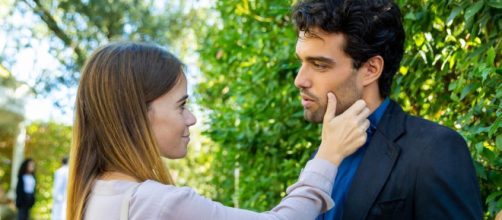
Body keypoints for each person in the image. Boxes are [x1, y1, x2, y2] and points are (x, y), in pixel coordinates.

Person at [67, 42, 371, 220]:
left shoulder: (93, 196)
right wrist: (328, 157)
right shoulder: (156, 204)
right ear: (137, 114)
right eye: (181, 105)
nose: (192, 119)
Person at [291, 0, 483, 219]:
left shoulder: (434, 150)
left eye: (319, 65)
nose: (300, 80)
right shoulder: (323, 156)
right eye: (301, 62)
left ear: (371, 69)